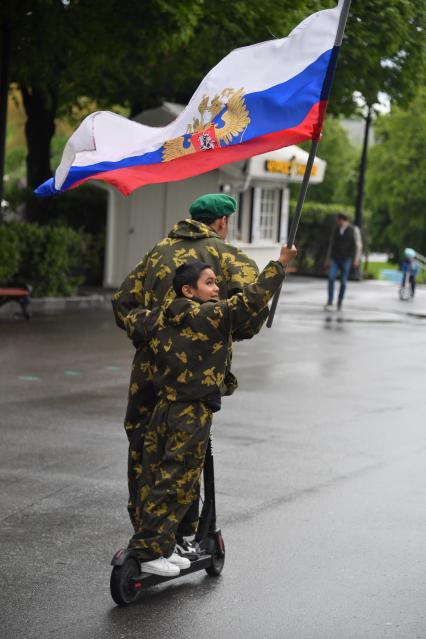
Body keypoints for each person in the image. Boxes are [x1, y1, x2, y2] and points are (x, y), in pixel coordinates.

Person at [121, 243, 297, 576]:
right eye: (209, 283)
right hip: (191, 414)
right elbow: (250, 301)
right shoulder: (210, 316)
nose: (216, 289)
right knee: (176, 483)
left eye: (216, 282)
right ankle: (148, 552)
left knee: (158, 478)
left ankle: (161, 546)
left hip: (163, 408)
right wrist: (280, 264)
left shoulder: (158, 315)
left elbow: (131, 318)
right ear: (189, 290)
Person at [112, 194, 268, 542]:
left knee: (144, 442)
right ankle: (178, 533)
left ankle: (145, 523)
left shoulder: (157, 252)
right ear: (222, 222)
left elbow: (122, 302)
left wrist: (153, 325)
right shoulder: (228, 256)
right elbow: (247, 320)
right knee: (184, 449)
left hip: (149, 367)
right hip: (194, 371)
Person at [324, 213, 362, 311]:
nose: (337, 222)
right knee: (331, 278)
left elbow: (358, 245)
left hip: (346, 259)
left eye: (338, 220)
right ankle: (330, 300)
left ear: (343, 220)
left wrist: (356, 259)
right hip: (335, 258)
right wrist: (327, 259)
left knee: (343, 282)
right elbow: (331, 244)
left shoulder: (354, 230)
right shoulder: (336, 229)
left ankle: (340, 301)